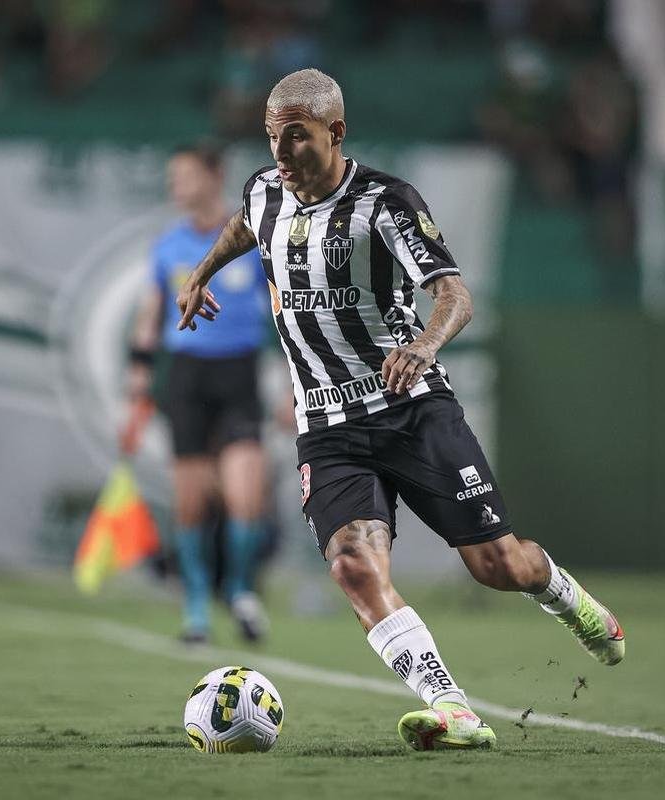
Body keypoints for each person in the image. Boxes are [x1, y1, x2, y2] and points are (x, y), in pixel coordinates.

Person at [173, 68, 626, 751]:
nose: (282, 153)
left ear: (336, 131)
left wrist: (424, 342)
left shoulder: (386, 203)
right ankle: (452, 709)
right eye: (272, 137)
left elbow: (454, 294)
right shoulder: (266, 191)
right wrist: (203, 270)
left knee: (498, 565)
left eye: (296, 136)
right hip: (327, 430)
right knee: (354, 565)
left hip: (410, 410)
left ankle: (565, 596)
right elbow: (246, 225)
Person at [128, 144, 271, 644]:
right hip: (186, 378)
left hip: (239, 376)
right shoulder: (167, 246)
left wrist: (296, 382)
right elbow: (151, 314)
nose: (177, 186)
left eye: (185, 175)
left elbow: (278, 304)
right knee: (189, 504)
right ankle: (195, 609)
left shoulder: (248, 238)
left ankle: (238, 590)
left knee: (245, 497)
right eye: (174, 177)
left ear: (214, 176)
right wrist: (140, 371)